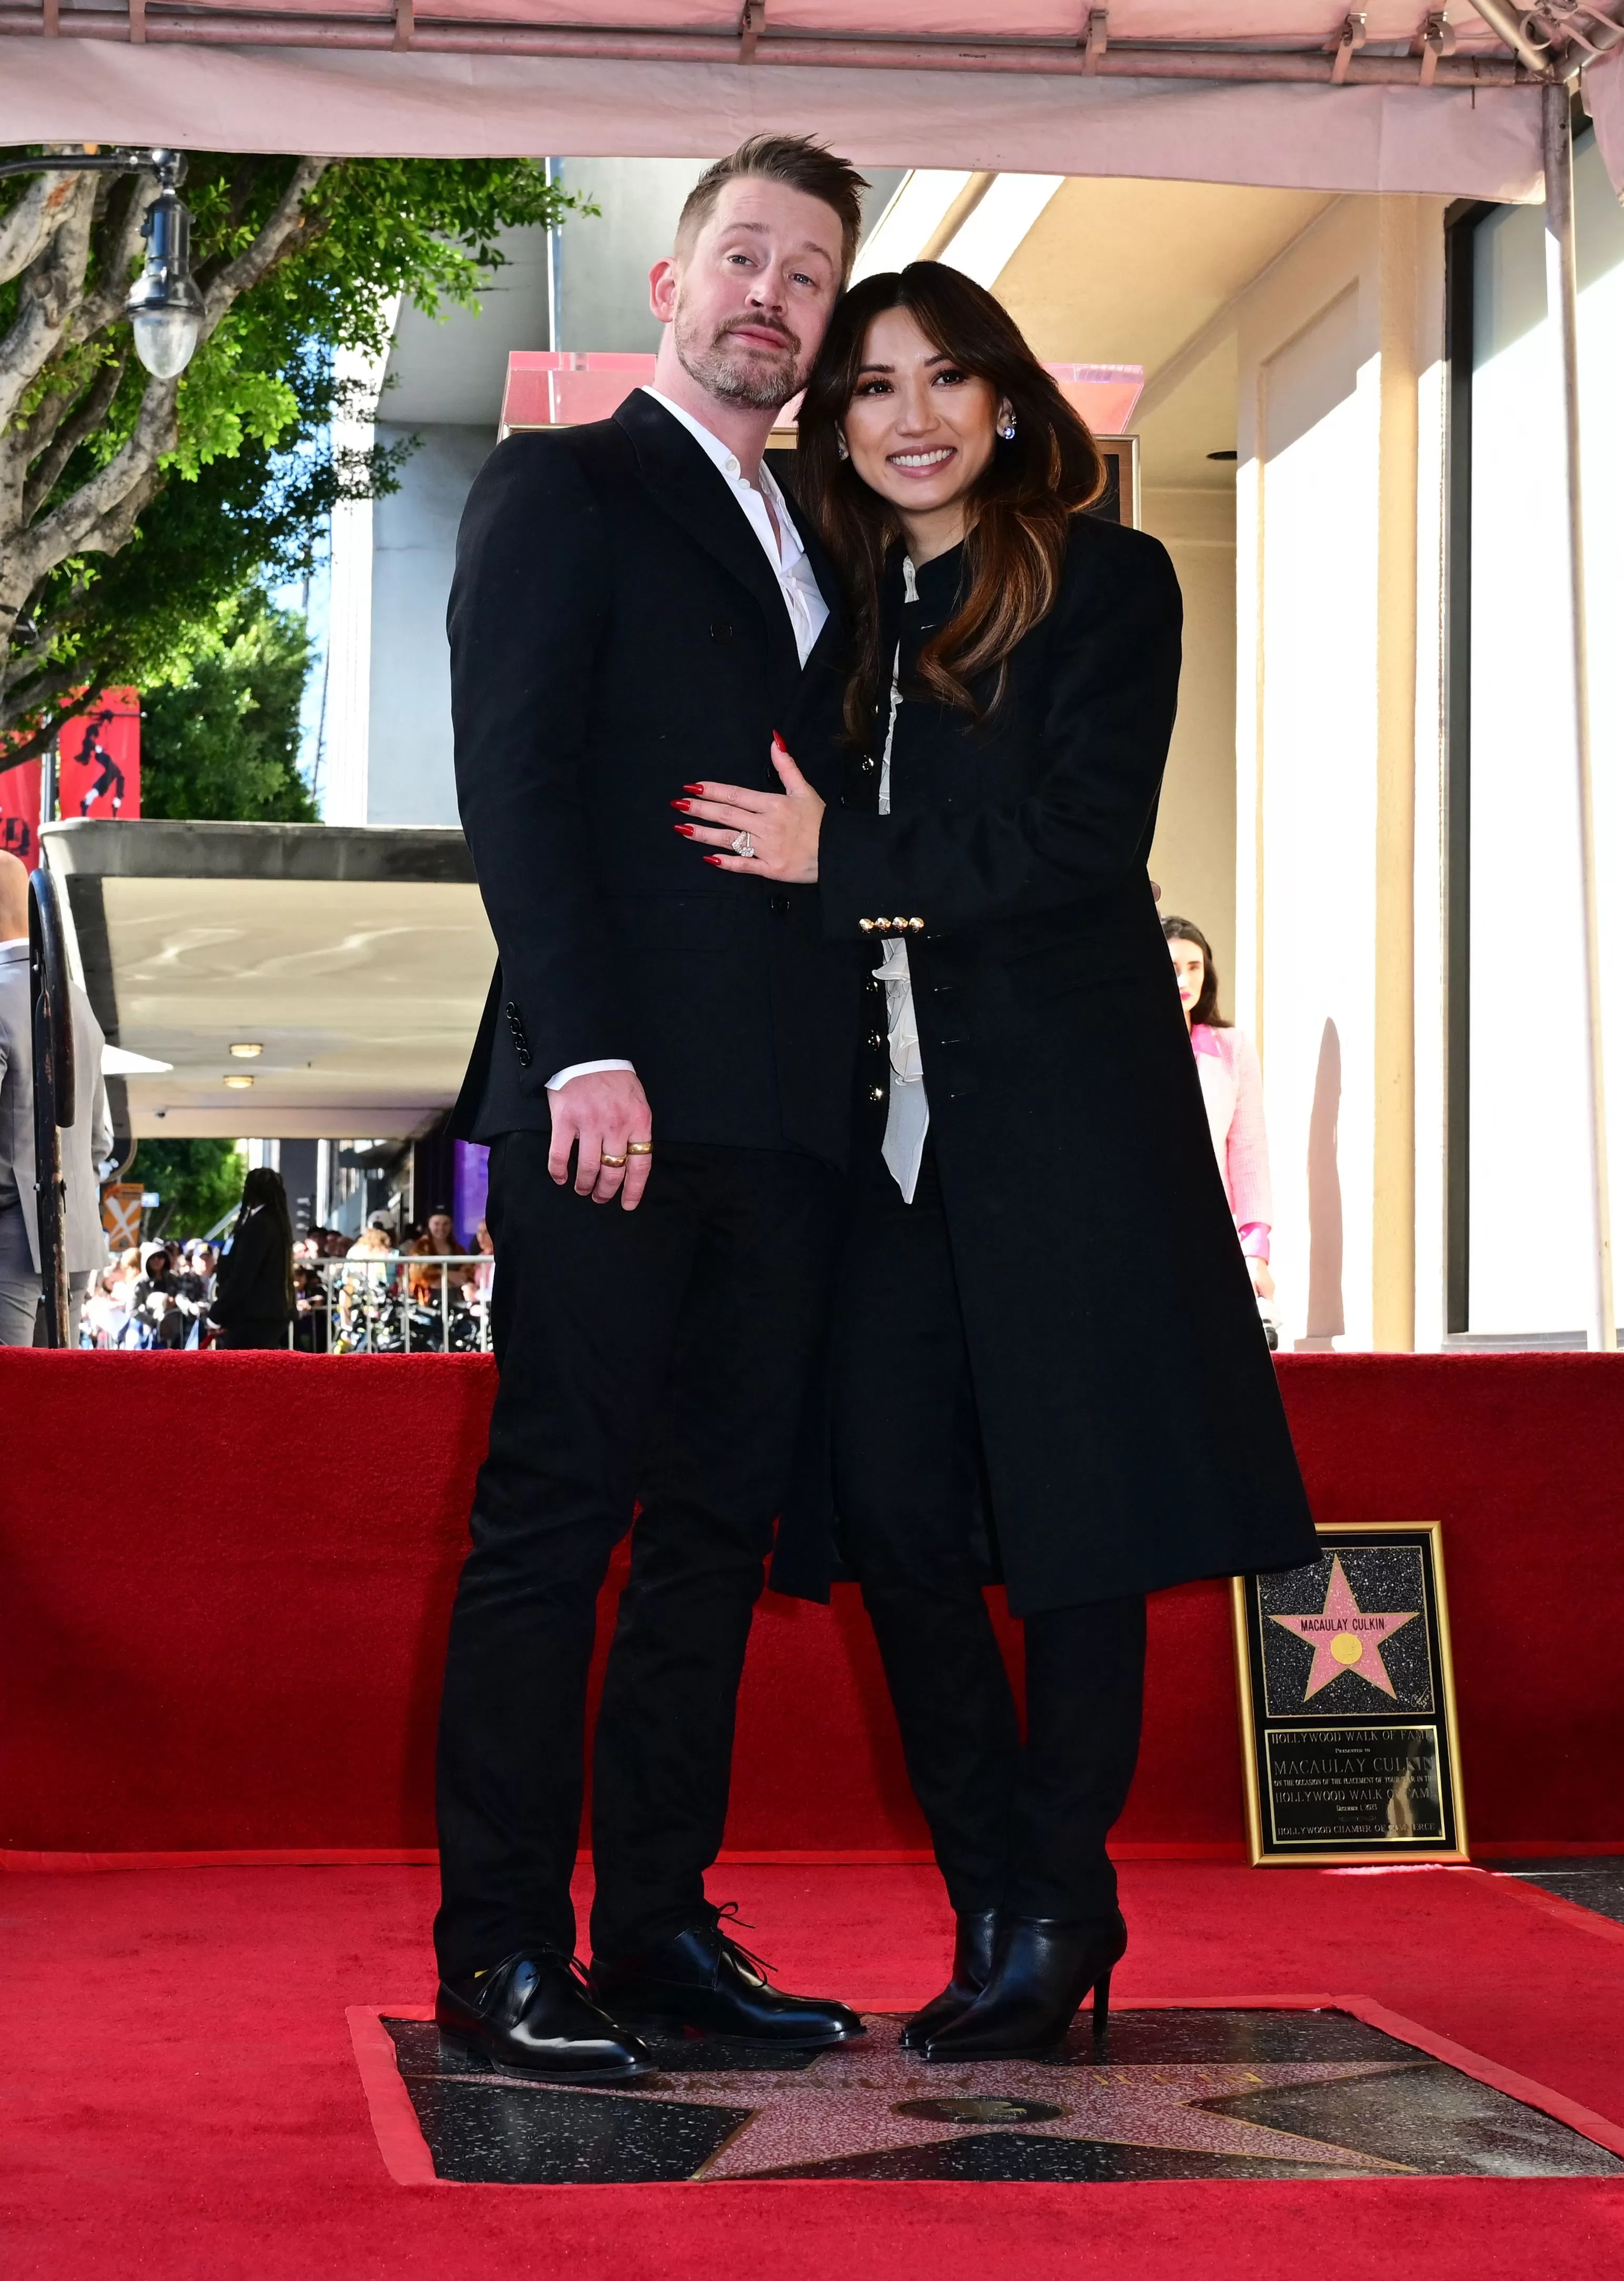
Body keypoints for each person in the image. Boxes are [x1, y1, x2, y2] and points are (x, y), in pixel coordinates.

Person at [676, 262, 1318, 2060]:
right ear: (836, 426)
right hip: (870, 1153)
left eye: (946, 377)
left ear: (1010, 402)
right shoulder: (826, 617)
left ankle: (1055, 1903)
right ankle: (997, 1890)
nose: (911, 414)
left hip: (1067, 1136)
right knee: (890, 1521)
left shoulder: (1107, 584)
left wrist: (845, 855)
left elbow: (1076, 840)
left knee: (1078, 1530)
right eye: (871, 385)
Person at [434, 135, 871, 2085]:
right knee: (556, 1517)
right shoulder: (565, 482)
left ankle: (661, 1923)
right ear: (668, 287)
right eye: (743, 255)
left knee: (710, 1531)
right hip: (613, 1095)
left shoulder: (832, 538)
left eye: (809, 271)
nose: (771, 291)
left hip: (788, 1119)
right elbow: (517, 782)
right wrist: (581, 1043)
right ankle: (502, 1947)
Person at [0, 849, 112, 1346]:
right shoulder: (75, 999)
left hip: (11, 1228)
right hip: (77, 1229)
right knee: (53, 1397)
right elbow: (99, 1141)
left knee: (11, 1398)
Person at [1163, 917, 1276, 1307]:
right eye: (1173, 967)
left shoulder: (1232, 1049)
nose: (1184, 980)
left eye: (1194, 967)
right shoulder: (1122, 1054)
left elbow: (1248, 1152)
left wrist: (1255, 1249)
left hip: (1213, 1235)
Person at [209, 1167, 295, 1350]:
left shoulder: (258, 1226)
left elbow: (243, 1275)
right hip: (267, 1315)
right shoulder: (276, 1224)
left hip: (252, 1318)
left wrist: (217, 1314)